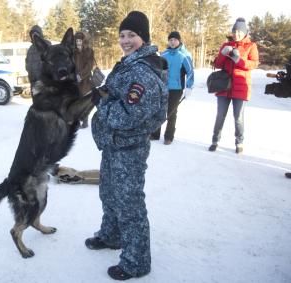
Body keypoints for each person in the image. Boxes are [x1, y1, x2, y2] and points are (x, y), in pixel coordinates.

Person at [87, 11, 168, 280]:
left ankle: (136, 261)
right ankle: (111, 235)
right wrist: (103, 88)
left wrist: (103, 100)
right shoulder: (128, 65)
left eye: (131, 35)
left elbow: (126, 114)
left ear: (143, 38)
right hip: (114, 145)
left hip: (128, 148)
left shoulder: (143, 72)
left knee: (129, 204)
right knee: (109, 193)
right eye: (122, 35)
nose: (125, 40)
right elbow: (114, 94)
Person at [208, 17, 259, 154]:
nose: (236, 34)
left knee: (238, 118)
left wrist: (238, 59)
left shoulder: (251, 46)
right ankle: (215, 140)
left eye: (239, 31)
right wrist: (224, 55)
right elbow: (218, 64)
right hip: (224, 86)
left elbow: (254, 64)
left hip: (241, 87)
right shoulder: (226, 45)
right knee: (220, 115)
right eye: (234, 31)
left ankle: (239, 142)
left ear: (244, 32)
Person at [150, 31, 194, 144]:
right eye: (170, 40)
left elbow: (190, 72)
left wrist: (189, 87)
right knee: (159, 110)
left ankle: (169, 137)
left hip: (176, 88)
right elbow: (158, 71)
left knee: (171, 112)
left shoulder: (185, 55)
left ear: (179, 41)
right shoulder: (164, 54)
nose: (172, 42)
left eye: (175, 40)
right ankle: (155, 134)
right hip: (163, 87)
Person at [74, 31, 95, 128]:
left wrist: (80, 75)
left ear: (83, 41)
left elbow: (89, 66)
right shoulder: (73, 52)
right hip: (75, 80)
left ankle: (85, 121)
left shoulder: (89, 51)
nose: (78, 42)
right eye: (77, 40)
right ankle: (78, 121)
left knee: (85, 101)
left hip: (86, 81)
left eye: (80, 40)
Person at [25, 25, 51, 95]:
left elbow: (51, 61)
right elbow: (27, 61)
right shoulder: (30, 48)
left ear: (40, 34)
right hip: (33, 80)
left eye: (36, 34)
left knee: (46, 100)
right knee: (36, 101)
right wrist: (28, 69)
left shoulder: (47, 44)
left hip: (44, 81)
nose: (34, 36)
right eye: (33, 34)